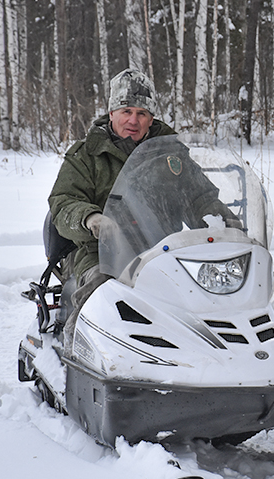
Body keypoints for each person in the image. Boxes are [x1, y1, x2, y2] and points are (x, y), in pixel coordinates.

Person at [48, 68, 177, 351]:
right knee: (102, 288)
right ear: (111, 113)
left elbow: (200, 195)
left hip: (162, 249)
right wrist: (91, 218)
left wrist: (225, 220)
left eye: (142, 113)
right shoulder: (86, 155)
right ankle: (77, 351)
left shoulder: (170, 153)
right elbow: (63, 201)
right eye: (126, 111)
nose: (133, 120)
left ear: (151, 118)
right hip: (98, 251)